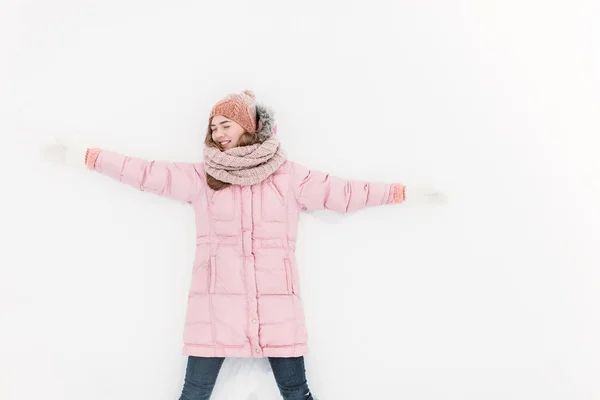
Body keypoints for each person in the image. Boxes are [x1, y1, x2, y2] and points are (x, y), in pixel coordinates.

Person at [42, 90, 446, 400]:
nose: (217, 134)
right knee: (194, 395)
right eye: (213, 127)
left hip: (277, 306)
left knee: (297, 395)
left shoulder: (288, 177)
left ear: (248, 126)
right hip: (215, 306)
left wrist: (401, 192)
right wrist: (88, 156)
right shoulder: (204, 177)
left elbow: (343, 192)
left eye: (225, 125)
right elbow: (146, 173)